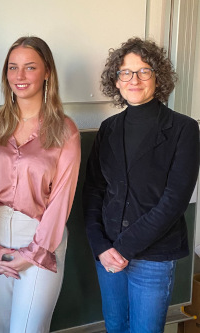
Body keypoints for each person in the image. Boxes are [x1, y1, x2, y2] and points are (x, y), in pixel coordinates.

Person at [84, 37, 199, 332]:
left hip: (154, 257)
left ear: (157, 76)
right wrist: (101, 246)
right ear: (117, 80)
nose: (134, 79)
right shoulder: (109, 129)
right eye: (126, 72)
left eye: (143, 71)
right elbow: (94, 191)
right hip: (107, 253)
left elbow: (174, 201)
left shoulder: (184, 129)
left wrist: (123, 248)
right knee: (115, 327)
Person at [0, 36, 81, 333]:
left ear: (47, 72)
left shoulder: (64, 129)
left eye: (29, 67)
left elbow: (61, 201)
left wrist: (33, 252)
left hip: (41, 238)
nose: (19, 76)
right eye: (13, 67)